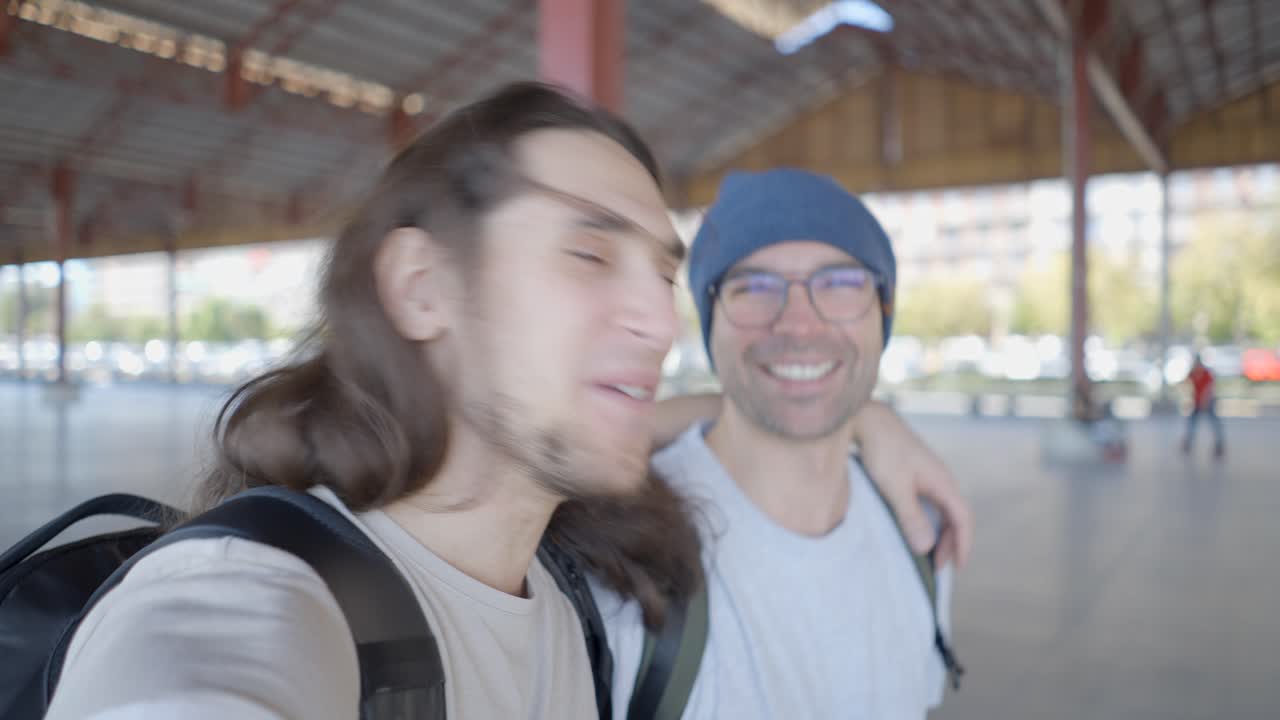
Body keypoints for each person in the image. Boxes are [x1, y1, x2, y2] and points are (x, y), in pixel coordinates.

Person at [47, 81, 704, 720]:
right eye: (589, 254)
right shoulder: (239, 601)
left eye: (666, 275)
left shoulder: (561, 604)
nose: (661, 322)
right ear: (421, 287)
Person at [595, 168, 963, 719]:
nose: (798, 324)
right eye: (754, 288)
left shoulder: (917, 529)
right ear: (710, 323)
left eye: (839, 284)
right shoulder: (621, 560)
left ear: (883, 313)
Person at [1181, 353, 1225, 458]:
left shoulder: (1206, 373)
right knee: (1192, 422)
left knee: (1214, 423)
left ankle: (1219, 444)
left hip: (1208, 401)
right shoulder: (1192, 373)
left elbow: (1209, 388)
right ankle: (1188, 442)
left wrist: (1205, 400)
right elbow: (1186, 384)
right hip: (1197, 401)